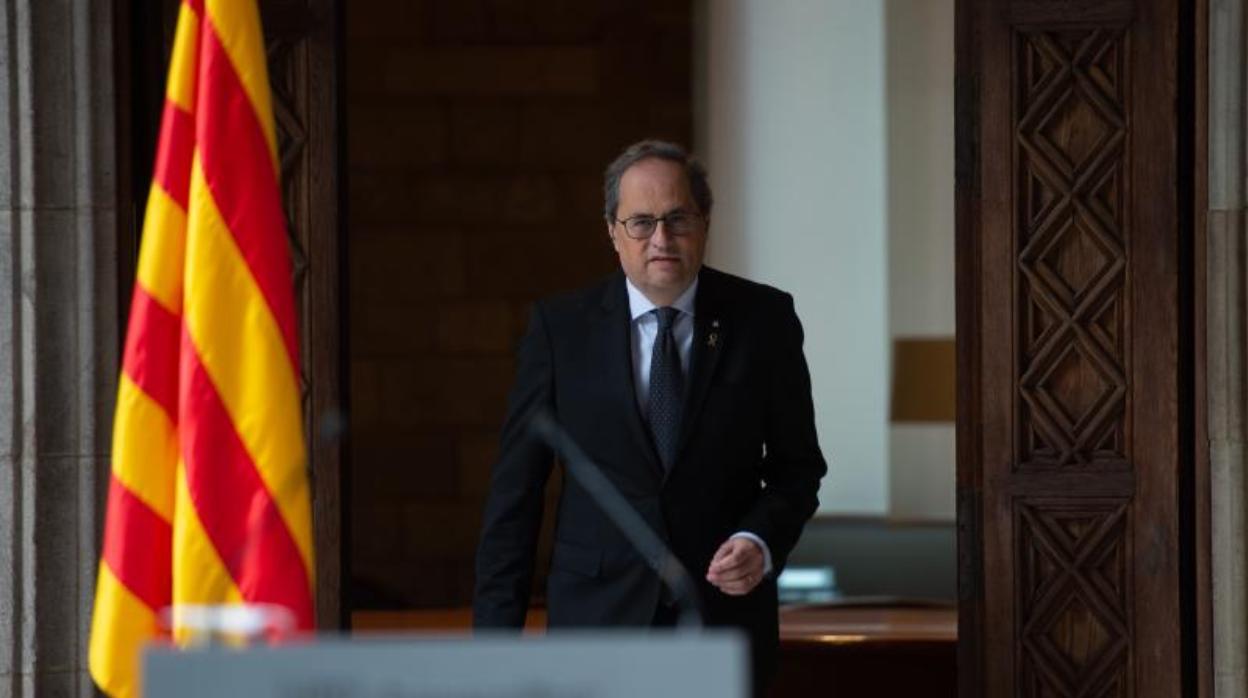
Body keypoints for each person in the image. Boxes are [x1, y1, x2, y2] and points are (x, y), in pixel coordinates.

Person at [473, 139, 827, 693]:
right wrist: (493, 651)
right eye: (640, 222)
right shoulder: (560, 330)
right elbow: (514, 497)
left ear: (705, 223)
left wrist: (759, 541)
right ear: (612, 231)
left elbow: (798, 468)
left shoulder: (764, 320)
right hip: (595, 629)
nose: (660, 239)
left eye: (677, 218)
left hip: (720, 625)